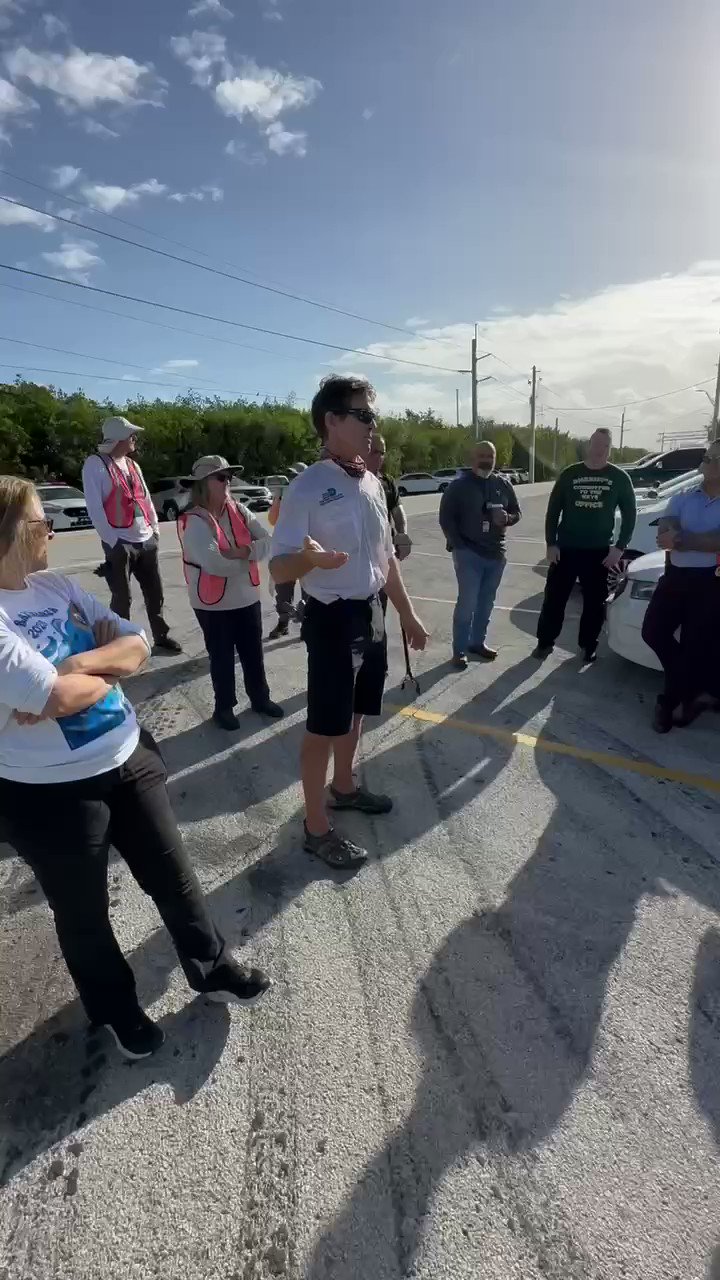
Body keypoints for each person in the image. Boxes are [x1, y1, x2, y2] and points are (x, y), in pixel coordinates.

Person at [0, 476, 270, 1061]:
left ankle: (213, 969)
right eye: (40, 522)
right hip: (49, 794)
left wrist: (75, 665)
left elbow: (137, 642)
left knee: (173, 877)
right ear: (9, 534)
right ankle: (117, 1011)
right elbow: (56, 699)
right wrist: (76, 681)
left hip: (128, 755)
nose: (50, 529)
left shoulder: (52, 585)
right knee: (84, 913)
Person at [270, 375, 428, 869]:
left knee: (358, 713)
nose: (371, 425)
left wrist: (408, 614)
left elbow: (386, 559)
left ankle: (344, 787)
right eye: (363, 415)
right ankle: (316, 827)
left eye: (373, 416)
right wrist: (310, 562)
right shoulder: (308, 486)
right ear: (332, 421)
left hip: (371, 612)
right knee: (324, 725)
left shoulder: (372, 482)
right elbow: (278, 566)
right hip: (332, 618)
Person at [178, 455, 284, 730]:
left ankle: (260, 699)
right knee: (221, 657)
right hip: (212, 604)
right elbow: (215, 564)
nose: (229, 482)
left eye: (229, 477)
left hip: (247, 597)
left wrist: (242, 552)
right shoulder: (193, 520)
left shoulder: (238, 509)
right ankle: (223, 708)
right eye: (222, 477)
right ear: (203, 483)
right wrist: (250, 555)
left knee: (253, 654)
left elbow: (268, 542)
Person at [534, 427, 636, 662]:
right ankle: (544, 642)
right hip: (566, 550)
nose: (600, 449)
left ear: (610, 449)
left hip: (599, 552)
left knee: (594, 604)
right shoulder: (570, 474)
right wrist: (551, 543)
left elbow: (630, 515)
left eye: (605, 445)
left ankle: (588, 645)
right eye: (596, 444)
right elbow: (553, 512)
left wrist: (619, 548)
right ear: (589, 445)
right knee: (554, 600)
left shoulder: (619, 478)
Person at [82, 415, 181, 654]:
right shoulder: (95, 464)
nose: (134, 439)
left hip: (146, 539)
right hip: (120, 541)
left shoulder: (133, 465)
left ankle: (161, 636)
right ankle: (120, 644)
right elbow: (94, 507)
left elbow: (145, 499)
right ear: (118, 439)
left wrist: (154, 531)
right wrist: (113, 541)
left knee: (155, 593)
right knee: (122, 599)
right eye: (130, 435)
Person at [641, 439, 720, 732]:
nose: (707, 461)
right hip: (675, 576)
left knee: (693, 644)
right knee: (653, 632)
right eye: (707, 456)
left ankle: (669, 703)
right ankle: (695, 691)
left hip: (710, 583)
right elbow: (664, 533)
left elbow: (717, 541)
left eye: (715, 458)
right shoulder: (684, 497)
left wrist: (684, 540)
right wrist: (696, 542)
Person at [439, 441, 521, 668]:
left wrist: (508, 518)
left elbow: (517, 512)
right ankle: (459, 650)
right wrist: (458, 547)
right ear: (472, 458)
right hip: (469, 554)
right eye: (481, 455)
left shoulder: (503, 484)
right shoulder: (459, 486)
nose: (486, 459)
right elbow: (446, 518)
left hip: (496, 554)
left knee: (486, 603)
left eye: (490, 455)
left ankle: (477, 643)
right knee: (467, 603)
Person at [267, 463, 308, 641]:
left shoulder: (311, 495)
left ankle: (308, 624)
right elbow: (272, 520)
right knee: (283, 590)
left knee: (309, 590)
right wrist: (278, 498)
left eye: (296, 476)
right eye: (290, 477)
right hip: (283, 548)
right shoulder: (283, 496)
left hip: (305, 547)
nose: (293, 480)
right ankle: (283, 623)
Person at [366, 433, 412, 566]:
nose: (379, 457)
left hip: (386, 550)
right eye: (374, 452)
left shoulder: (387, 482)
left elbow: (398, 511)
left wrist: (402, 535)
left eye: (382, 453)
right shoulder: (350, 480)